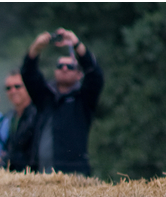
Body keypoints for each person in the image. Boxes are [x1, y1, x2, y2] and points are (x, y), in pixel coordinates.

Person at [21, 28, 104, 175]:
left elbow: (95, 75)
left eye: (70, 66)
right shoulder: (45, 97)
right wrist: (36, 48)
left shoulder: (83, 99)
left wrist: (77, 44)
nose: (64, 68)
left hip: (74, 173)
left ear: (79, 74)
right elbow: (28, 74)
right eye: (60, 66)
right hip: (43, 172)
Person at [3, 70, 38, 172]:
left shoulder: (37, 114)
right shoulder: (10, 117)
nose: (13, 91)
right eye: (8, 88)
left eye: (17, 86)